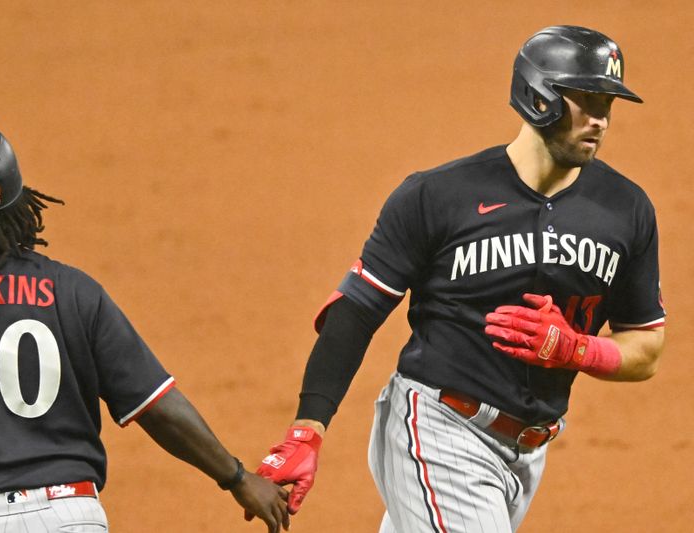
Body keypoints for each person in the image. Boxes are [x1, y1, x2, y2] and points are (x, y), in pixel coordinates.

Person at [249, 25, 666, 533]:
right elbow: (356, 311)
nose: (600, 120)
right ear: (539, 98)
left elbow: (646, 346)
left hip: (527, 455)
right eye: (586, 100)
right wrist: (307, 431)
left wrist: (577, 351)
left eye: (608, 104)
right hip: (439, 429)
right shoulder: (438, 196)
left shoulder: (626, 210)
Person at [0, 119, 290, 533]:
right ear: (18, 194)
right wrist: (238, 479)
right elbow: (157, 405)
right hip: (68, 517)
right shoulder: (73, 290)